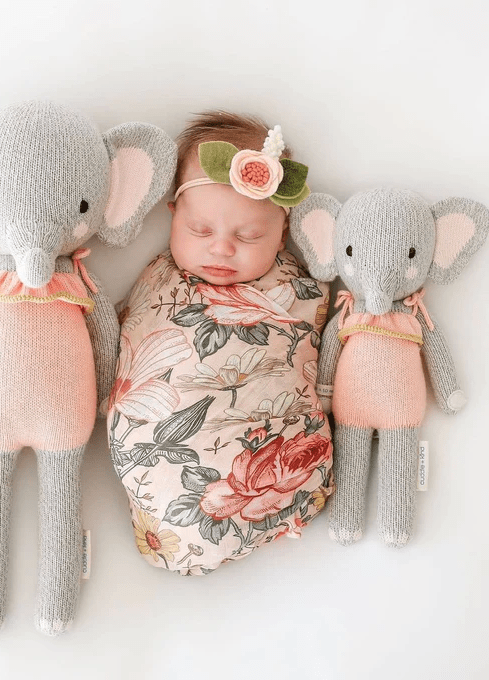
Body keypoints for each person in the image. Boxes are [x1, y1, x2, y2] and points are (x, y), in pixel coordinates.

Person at [107, 111, 333, 575]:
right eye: (201, 230)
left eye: (249, 235)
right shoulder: (158, 280)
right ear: (174, 215)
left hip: (273, 456)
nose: (222, 249)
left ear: (283, 232)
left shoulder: (298, 288)